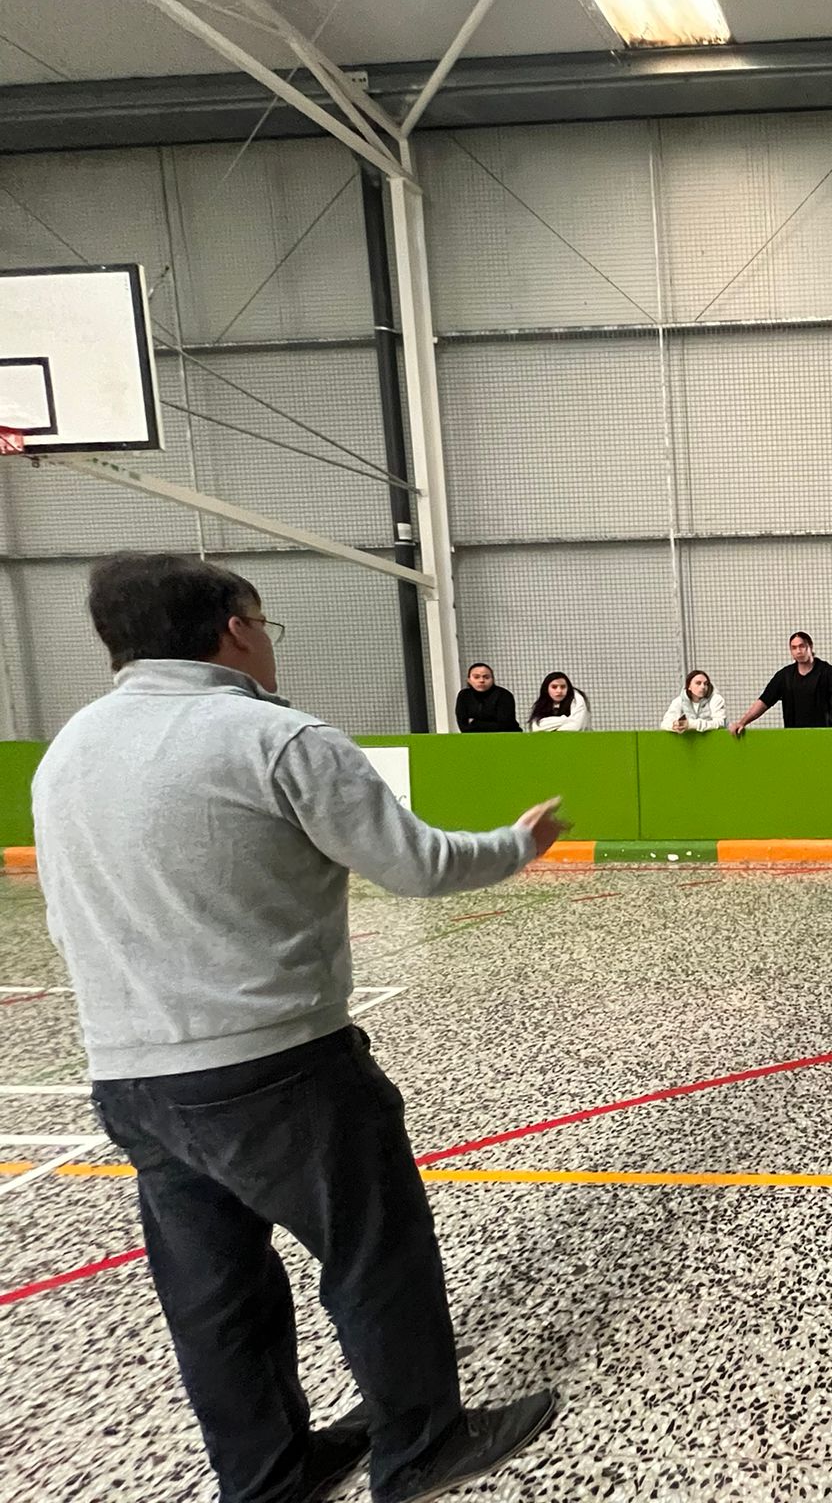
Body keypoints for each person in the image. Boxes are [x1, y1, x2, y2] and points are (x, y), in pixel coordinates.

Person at [30, 553, 564, 1503]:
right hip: (275, 1067)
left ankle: (266, 1476)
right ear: (234, 630)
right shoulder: (275, 738)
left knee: (214, 1294)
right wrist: (518, 846)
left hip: (130, 1079)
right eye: (264, 623)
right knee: (374, 1250)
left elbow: (66, 920)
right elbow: (417, 865)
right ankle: (421, 1445)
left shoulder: (66, 752)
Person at [732, 632, 832, 734]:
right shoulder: (784, 676)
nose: (798, 651)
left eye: (802, 646)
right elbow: (764, 701)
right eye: (794, 648)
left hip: (824, 734)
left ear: (810, 647)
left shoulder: (829, 673)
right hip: (793, 735)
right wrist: (742, 722)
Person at [455, 663, 520, 733]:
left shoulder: (503, 695)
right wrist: (491, 723)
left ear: (493, 679)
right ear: (469, 680)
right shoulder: (464, 695)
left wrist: (475, 723)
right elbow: (463, 726)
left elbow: (505, 725)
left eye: (486, 677)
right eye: (476, 677)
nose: (481, 680)